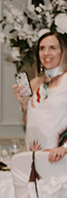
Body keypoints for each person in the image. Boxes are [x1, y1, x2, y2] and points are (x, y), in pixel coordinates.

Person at [12, 31, 67, 163]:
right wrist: (24, 106)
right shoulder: (35, 83)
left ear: (63, 51)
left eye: (52, 48)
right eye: (42, 48)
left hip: (58, 156)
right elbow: (30, 123)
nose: (46, 53)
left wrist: (64, 147)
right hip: (34, 155)